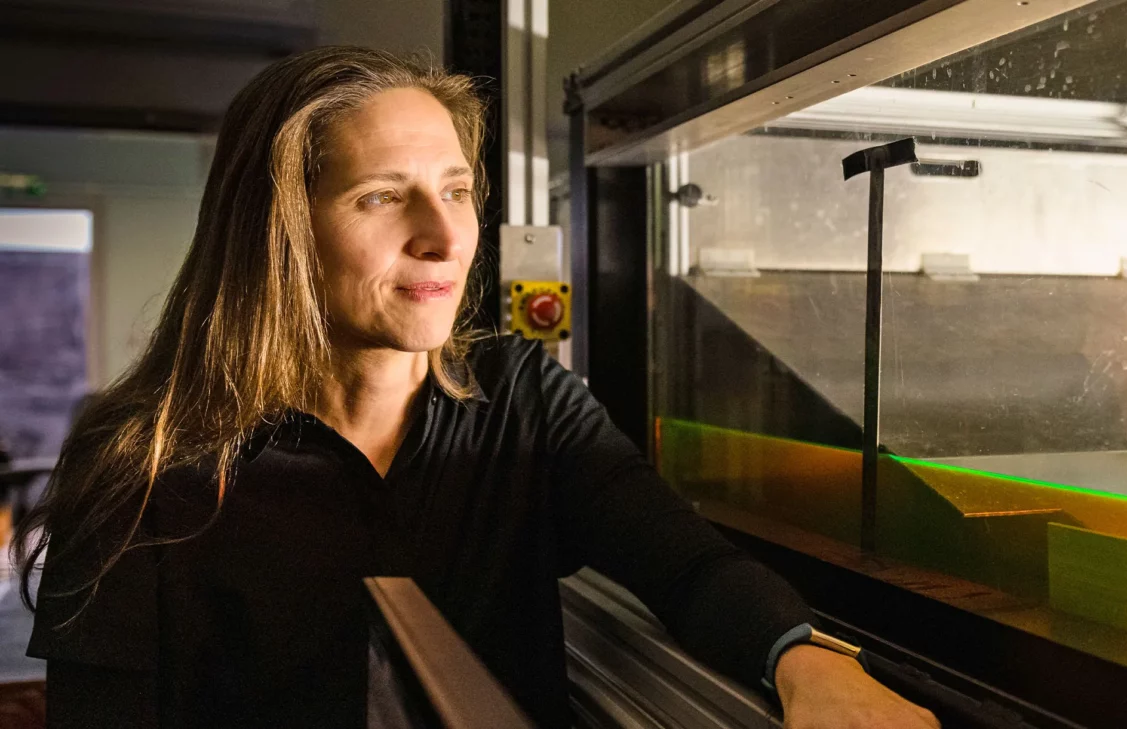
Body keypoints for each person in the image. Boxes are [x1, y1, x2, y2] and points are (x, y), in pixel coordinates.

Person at [13, 47, 939, 729]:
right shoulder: (142, 461)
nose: (447, 238)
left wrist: (808, 663)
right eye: (382, 196)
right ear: (278, 231)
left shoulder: (525, 403)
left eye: (456, 190)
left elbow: (687, 564)